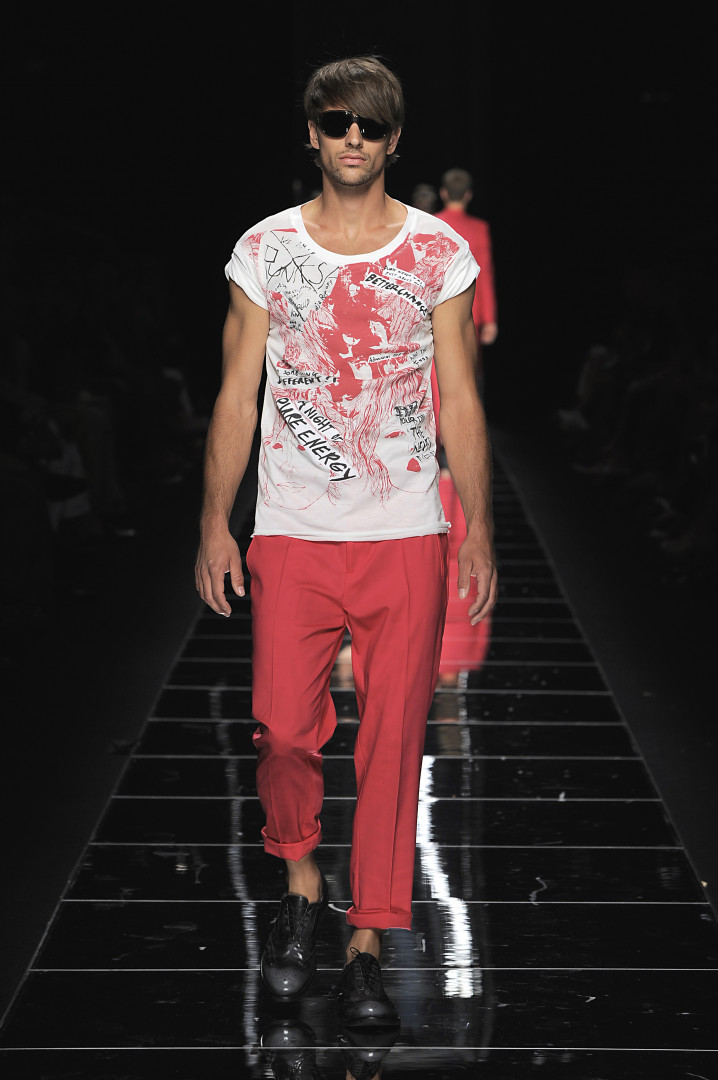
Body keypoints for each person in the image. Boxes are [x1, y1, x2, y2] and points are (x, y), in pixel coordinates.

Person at [194, 55, 497, 1028]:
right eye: (336, 122)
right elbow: (237, 393)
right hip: (292, 528)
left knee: (393, 743)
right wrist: (214, 520)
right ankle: (300, 880)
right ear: (313, 134)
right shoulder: (265, 249)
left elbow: (460, 397)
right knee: (284, 729)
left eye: (369, 124)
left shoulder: (437, 253)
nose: (352, 138)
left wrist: (478, 528)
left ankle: (367, 942)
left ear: (394, 139)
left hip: (406, 529)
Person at [435, 167, 498, 397]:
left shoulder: (433, 225)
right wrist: (490, 319)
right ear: (468, 195)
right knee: (468, 376)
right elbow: (485, 274)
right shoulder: (480, 228)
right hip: (472, 312)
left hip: (437, 309)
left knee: (438, 375)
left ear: (443, 193)